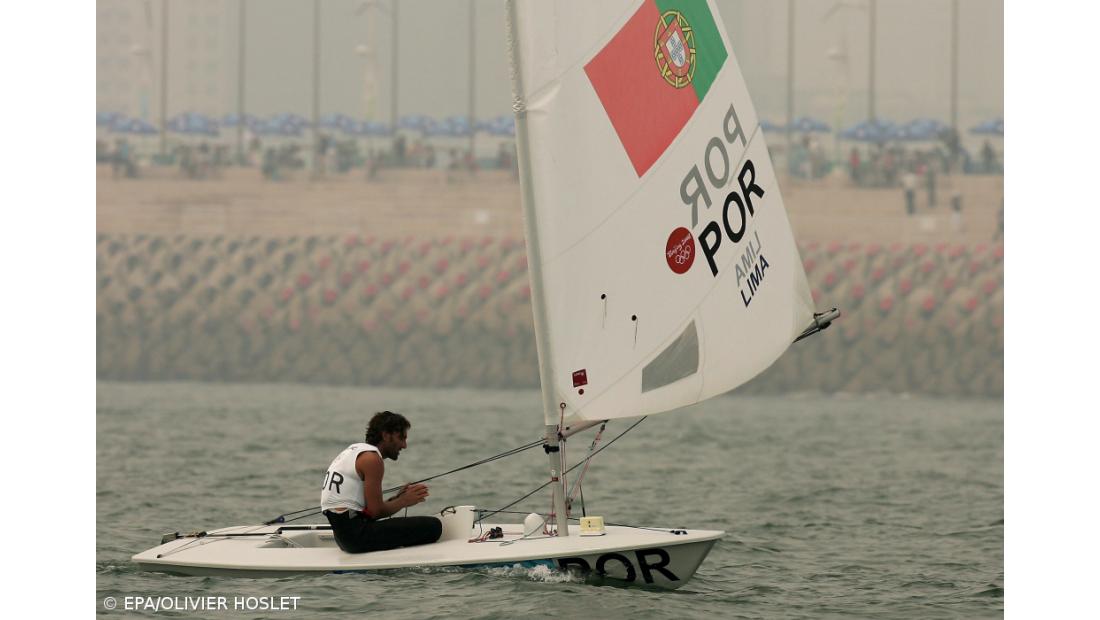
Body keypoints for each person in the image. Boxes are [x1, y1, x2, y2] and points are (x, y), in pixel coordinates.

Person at [320, 411, 442, 553]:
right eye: (401, 438)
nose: (404, 445)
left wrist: (398, 498)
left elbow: (367, 510)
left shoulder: (355, 451)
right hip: (356, 538)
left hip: (345, 538)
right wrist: (404, 501)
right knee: (434, 526)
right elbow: (375, 512)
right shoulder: (372, 459)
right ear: (385, 435)